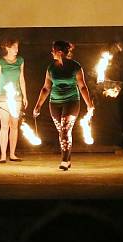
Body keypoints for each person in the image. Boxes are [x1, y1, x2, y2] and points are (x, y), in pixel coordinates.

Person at [32, 41, 94, 171]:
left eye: (53, 50)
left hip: (72, 102)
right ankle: (68, 158)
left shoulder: (75, 66)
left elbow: (82, 86)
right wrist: (38, 106)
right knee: (62, 132)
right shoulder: (51, 67)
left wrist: (89, 104)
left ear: (59, 52)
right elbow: (46, 88)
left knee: (65, 130)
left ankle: (64, 160)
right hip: (54, 103)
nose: (51, 52)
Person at [0, 38, 28, 163]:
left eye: (17, 47)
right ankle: (3, 155)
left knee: (14, 125)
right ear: (7, 48)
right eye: (14, 47)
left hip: (16, 97)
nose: (17, 50)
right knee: (4, 125)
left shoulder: (20, 61)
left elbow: (22, 79)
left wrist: (25, 96)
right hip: (2, 97)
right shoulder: (0, 62)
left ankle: (12, 154)